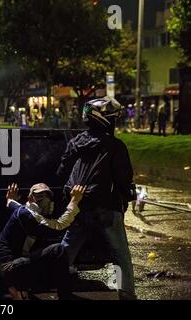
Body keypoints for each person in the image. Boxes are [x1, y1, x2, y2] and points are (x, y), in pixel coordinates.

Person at [57, 97, 137, 300]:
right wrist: (125, 197)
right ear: (104, 120)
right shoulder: (115, 146)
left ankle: (59, 287)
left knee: (65, 252)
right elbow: (123, 178)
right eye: (112, 118)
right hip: (106, 208)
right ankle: (126, 293)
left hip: (78, 206)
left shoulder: (75, 143)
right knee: (120, 255)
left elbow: (61, 172)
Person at [0, 183, 86, 300]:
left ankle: (21, 288)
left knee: (57, 263)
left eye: (47, 196)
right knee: (58, 249)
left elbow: (11, 203)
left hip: (22, 265)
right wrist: (74, 201)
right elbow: (58, 226)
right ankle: (65, 296)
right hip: (10, 268)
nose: (44, 200)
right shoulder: (26, 214)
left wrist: (10, 199)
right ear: (30, 198)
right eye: (39, 196)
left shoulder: (21, 210)